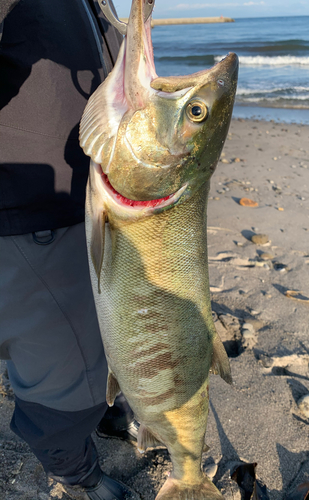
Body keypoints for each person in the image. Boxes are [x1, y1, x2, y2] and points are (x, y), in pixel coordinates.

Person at [0, 1, 139, 499]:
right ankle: (76, 471)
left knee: (106, 334)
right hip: (28, 209)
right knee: (61, 380)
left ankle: (102, 410)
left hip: (93, 194)